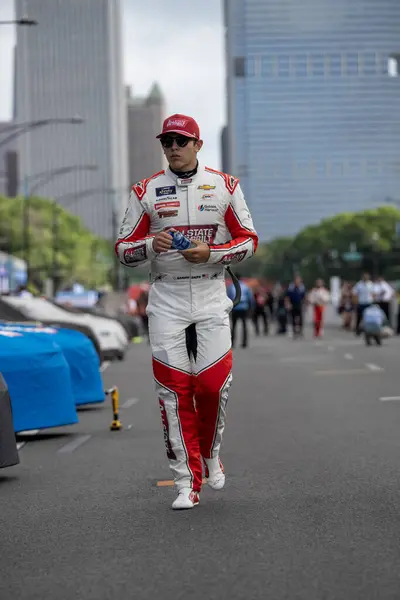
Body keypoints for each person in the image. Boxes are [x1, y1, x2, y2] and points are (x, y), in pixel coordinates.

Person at [115, 113, 258, 510]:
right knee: (173, 392)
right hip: (167, 299)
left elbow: (249, 241)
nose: (173, 148)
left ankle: (211, 453)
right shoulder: (145, 190)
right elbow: (124, 249)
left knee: (211, 387)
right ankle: (186, 482)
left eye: (181, 141)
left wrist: (211, 253)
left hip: (212, 294)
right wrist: (148, 246)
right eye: (167, 142)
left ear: (197, 144)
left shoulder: (225, 186)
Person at [227, 275, 255, 347]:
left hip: (235, 308)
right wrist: (251, 308)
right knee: (244, 326)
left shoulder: (231, 287)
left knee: (234, 326)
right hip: (244, 308)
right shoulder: (246, 286)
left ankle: (233, 342)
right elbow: (250, 298)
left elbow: (228, 298)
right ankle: (244, 342)